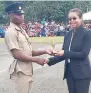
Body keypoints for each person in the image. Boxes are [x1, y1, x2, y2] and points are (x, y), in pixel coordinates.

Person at [5, 3, 51, 93]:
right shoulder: (11, 32)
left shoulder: (21, 30)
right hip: (21, 71)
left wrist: (45, 51)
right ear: (10, 15)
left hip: (27, 70)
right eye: (18, 14)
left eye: (22, 14)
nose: (21, 16)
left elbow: (29, 52)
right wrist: (37, 60)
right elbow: (17, 54)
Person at [46, 8, 91, 93]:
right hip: (70, 73)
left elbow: (84, 54)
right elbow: (64, 54)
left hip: (82, 74)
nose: (71, 21)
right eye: (70, 19)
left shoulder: (87, 33)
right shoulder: (68, 34)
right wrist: (49, 60)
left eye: (74, 18)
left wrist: (65, 52)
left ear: (81, 19)